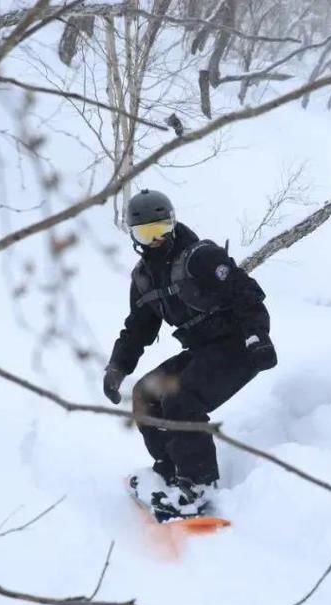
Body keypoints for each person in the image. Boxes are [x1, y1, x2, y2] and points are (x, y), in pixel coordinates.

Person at [103, 189, 277, 520]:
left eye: (161, 230)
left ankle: (199, 488)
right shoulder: (142, 279)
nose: (155, 240)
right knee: (146, 394)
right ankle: (170, 469)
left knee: (181, 400)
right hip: (203, 349)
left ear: (173, 223)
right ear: (134, 236)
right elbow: (138, 327)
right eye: (145, 233)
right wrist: (117, 366)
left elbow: (248, 294)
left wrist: (257, 336)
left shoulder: (200, 258)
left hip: (238, 345)